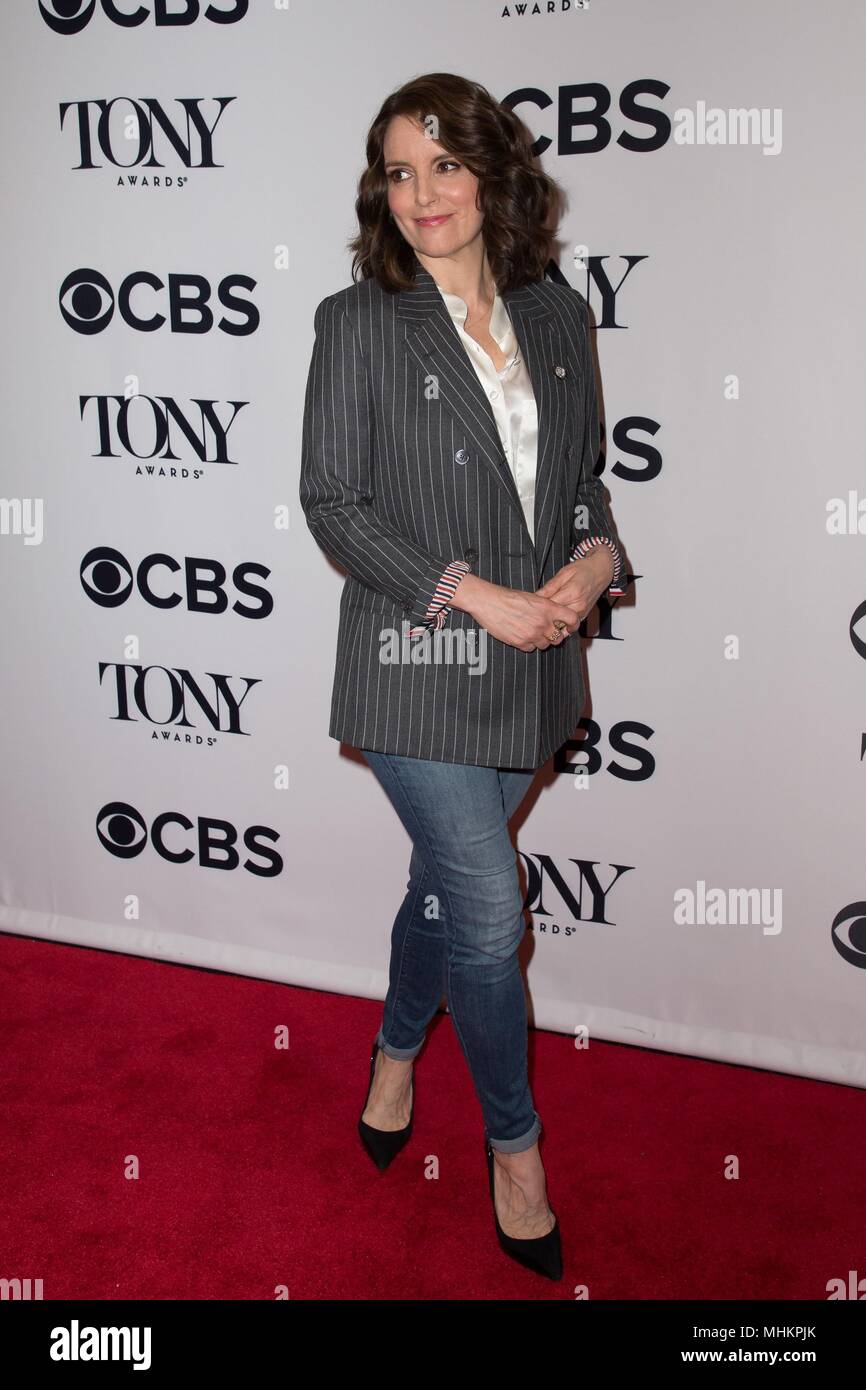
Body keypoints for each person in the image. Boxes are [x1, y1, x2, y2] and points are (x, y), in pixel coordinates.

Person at [299, 72, 626, 1281]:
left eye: (442, 163)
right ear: (379, 193)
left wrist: (590, 567)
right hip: (413, 662)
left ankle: (394, 1053)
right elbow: (335, 504)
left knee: (442, 887)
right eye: (398, 171)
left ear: (490, 171)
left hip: (532, 673)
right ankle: (515, 1147)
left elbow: (584, 485)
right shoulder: (358, 321)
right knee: (490, 912)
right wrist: (476, 595)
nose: (422, 193)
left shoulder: (554, 314)